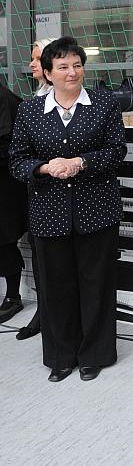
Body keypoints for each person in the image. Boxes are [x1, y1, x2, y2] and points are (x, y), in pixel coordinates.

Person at [9, 36, 126, 382]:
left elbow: (117, 151)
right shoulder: (29, 111)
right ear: (47, 73)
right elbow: (17, 161)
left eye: (77, 65)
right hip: (48, 213)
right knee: (56, 288)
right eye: (62, 66)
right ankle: (61, 356)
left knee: (97, 285)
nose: (72, 72)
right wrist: (45, 168)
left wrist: (80, 162)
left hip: (97, 211)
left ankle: (95, 354)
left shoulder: (104, 103)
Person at [13, 37, 58, 341]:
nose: (31, 64)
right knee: (42, 262)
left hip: (63, 195)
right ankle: (43, 314)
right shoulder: (34, 101)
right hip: (38, 190)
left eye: (36, 58)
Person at [0, 85, 25, 324]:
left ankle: (12, 296)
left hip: (5, 187)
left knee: (4, 242)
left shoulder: (6, 99)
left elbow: (11, 147)